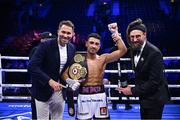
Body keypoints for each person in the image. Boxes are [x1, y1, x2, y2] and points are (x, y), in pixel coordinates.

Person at [63, 32, 127, 119]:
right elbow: (64, 74)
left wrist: (115, 34)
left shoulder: (103, 58)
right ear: (86, 43)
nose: (94, 46)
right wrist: (71, 82)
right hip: (84, 96)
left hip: (100, 96)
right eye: (91, 43)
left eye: (96, 44)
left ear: (99, 46)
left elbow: (123, 50)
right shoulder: (78, 59)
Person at [116, 18, 170, 119]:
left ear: (145, 35)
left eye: (138, 36)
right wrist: (116, 36)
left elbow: (154, 82)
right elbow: (122, 50)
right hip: (145, 96)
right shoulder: (134, 48)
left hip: (155, 98)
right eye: (132, 37)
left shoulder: (154, 53)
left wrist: (132, 91)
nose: (135, 39)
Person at [27, 20, 77, 119]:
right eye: (63, 32)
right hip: (42, 89)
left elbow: (66, 70)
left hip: (60, 90)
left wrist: (71, 80)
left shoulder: (72, 48)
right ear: (58, 31)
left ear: (73, 34)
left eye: (68, 33)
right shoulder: (45, 45)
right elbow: (31, 66)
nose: (65, 35)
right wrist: (49, 81)